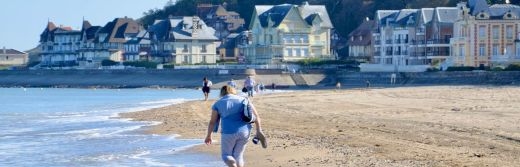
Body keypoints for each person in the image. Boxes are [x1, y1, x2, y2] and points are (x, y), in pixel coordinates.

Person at [205, 85, 264, 167]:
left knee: (226, 155)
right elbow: (256, 116)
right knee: (238, 155)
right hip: (245, 132)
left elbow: (212, 122)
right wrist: (258, 130)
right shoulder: (244, 100)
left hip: (228, 132)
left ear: (222, 93)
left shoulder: (218, 103)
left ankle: (232, 164)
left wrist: (209, 135)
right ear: (233, 91)